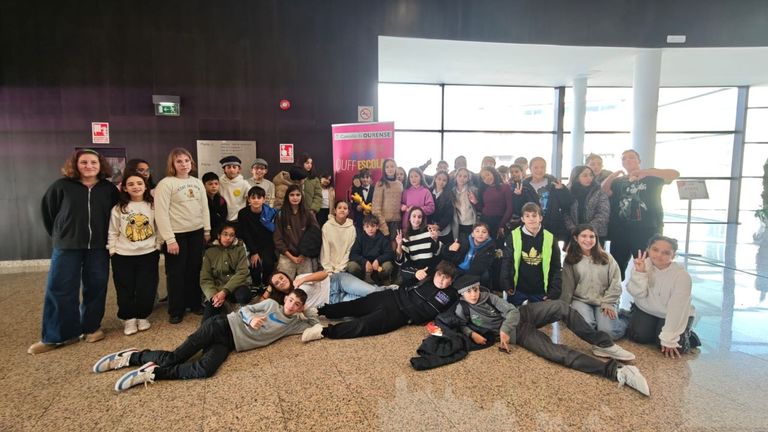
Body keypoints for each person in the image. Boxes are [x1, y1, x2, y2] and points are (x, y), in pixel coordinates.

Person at [433, 279, 649, 396]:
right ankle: (617, 371)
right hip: (520, 333)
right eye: (469, 291)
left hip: (523, 315)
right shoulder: (462, 309)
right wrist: (472, 334)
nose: (473, 294)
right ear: (462, 294)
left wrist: (504, 329)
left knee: (561, 307)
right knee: (555, 353)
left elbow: (512, 311)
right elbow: (461, 325)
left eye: (475, 289)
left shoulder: (489, 297)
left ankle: (602, 343)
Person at [93, 289, 319, 392]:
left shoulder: (293, 324)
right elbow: (244, 309)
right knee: (175, 357)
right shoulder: (271, 305)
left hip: (229, 343)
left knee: (204, 369)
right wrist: (251, 320)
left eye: (297, 305)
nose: (292, 305)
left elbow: (314, 324)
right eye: (290, 300)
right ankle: (132, 357)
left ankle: (152, 373)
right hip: (220, 325)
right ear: (285, 298)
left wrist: (307, 309)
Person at [29, 149, 119, 354]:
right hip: (67, 246)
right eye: (84, 162)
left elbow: (116, 215)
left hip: (98, 246)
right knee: (60, 287)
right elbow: (49, 213)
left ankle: (91, 327)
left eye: (93, 162)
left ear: (100, 165)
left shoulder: (108, 189)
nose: (89, 166)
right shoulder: (61, 186)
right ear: (75, 165)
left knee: (96, 286)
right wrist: (61, 234)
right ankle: (55, 336)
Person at [301, 261, 459, 341]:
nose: (441, 280)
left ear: (451, 281)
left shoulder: (451, 295)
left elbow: (452, 314)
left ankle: (323, 332)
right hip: (390, 296)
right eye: (439, 275)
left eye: (446, 278)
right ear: (435, 273)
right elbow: (402, 272)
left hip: (400, 315)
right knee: (355, 306)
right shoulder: (426, 277)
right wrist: (414, 274)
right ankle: (319, 311)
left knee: (363, 325)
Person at [602, 149, 680, 278]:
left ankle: (646, 290)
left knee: (647, 265)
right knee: (616, 265)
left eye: (631, 157)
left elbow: (674, 174)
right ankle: (615, 289)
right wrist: (612, 176)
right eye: (624, 158)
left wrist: (645, 172)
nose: (628, 160)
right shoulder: (619, 181)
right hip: (621, 230)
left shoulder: (652, 177)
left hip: (647, 229)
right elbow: (604, 191)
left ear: (639, 160)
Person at [155, 148, 211, 324]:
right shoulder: (166, 184)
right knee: (176, 273)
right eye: (179, 161)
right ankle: (176, 309)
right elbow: (161, 213)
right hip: (176, 235)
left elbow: (204, 207)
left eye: (187, 160)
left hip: (196, 232)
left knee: (194, 269)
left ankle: (194, 303)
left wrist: (207, 230)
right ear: (172, 164)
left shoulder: (197, 182)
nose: (184, 164)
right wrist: (169, 239)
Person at [626, 235, 700, 357]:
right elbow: (637, 293)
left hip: (673, 314)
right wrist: (640, 273)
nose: (659, 255)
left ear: (673, 255)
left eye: (666, 253)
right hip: (647, 310)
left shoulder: (682, 276)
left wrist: (669, 338)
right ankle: (654, 329)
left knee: (670, 347)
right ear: (648, 249)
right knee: (638, 337)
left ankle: (687, 333)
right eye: (655, 250)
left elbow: (677, 308)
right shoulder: (642, 265)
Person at [107, 172, 160, 336]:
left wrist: (158, 245)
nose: (136, 187)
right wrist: (112, 250)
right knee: (125, 288)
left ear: (145, 186)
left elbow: (159, 227)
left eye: (139, 183)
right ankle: (129, 318)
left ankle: (143, 316)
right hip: (123, 255)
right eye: (131, 184)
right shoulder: (119, 208)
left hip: (148, 253)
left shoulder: (153, 206)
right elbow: (113, 231)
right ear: (124, 188)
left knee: (147, 287)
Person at [559, 224, 625, 340]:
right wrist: (564, 308)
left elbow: (616, 282)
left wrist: (609, 302)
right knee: (586, 327)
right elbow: (567, 286)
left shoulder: (607, 257)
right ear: (576, 238)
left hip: (604, 300)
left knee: (608, 332)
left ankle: (624, 319)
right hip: (581, 300)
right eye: (584, 236)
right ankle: (596, 321)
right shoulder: (570, 260)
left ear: (596, 238)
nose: (588, 240)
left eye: (591, 236)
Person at [499, 202, 562, 306]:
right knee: (516, 314)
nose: (531, 219)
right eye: (527, 216)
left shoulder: (550, 238)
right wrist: (506, 283)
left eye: (534, 215)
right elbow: (507, 261)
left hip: (541, 291)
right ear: (522, 219)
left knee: (539, 315)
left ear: (540, 218)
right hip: (518, 290)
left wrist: (555, 290)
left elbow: (556, 266)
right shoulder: (513, 236)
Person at [200, 222, 252, 322]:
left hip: (236, 286)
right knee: (207, 320)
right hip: (217, 289)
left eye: (232, 235)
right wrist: (213, 296)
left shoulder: (239, 249)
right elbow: (205, 278)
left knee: (244, 296)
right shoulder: (209, 252)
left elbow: (242, 272)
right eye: (225, 234)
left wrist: (224, 292)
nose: (228, 238)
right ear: (219, 235)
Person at [268, 269, 389, 310]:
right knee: (369, 303)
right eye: (277, 283)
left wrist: (303, 280)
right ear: (276, 289)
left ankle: (392, 290)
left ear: (286, 276)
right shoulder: (288, 302)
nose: (281, 282)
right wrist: (268, 290)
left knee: (372, 292)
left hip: (337, 282)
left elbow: (324, 274)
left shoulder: (299, 279)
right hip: (335, 301)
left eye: (281, 278)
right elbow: (263, 304)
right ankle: (390, 296)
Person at [274, 185, 320, 279]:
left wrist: (303, 254)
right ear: (287, 197)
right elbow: (278, 239)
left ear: (302, 196)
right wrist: (291, 257)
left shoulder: (308, 214)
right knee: (283, 283)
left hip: (304, 256)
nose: (295, 197)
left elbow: (315, 235)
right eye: (292, 195)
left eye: (298, 195)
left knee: (307, 284)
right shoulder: (280, 214)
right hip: (287, 256)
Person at [523, 157, 574, 243]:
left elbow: (566, 203)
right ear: (530, 169)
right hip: (533, 225)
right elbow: (519, 208)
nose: (539, 170)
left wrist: (561, 190)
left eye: (542, 167)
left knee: (552, 249)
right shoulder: (524, 186)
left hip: (553, 224)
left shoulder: (554, 184)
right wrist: (517, 196)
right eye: (536, 167)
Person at [237, 186, 277, 287]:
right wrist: (254, 252)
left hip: (268, 243)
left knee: (268, 263)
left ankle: (266, 284)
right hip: (251, 244)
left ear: (264, 199)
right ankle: (256, 286)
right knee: (255, 265)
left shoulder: (270, 212)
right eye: (253, 197)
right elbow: (245, 233)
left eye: (259, 198)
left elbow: (273, 232)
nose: (256, 200)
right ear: (249, 199)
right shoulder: (243, 213)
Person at [564, 165, 610, 247]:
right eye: (585, 175)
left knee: (595, 255)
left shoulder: (599, 191)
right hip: (574, 234)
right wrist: (573, 229)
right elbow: (565, 212)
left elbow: (603, 213)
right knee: (574, 255)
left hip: (595, 234)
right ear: (576, 177)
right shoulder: (568, 191)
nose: (589, 178)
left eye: (591, 175)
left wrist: (587, 230)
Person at [396, 207, 442, 286]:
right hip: (416, 272)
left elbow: (437, 253)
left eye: (419, 217)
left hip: (431, 270)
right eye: (414, 216)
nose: (416, 219)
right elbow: (400, 262)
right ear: (409, 218)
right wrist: (399, 245)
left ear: (422, 219)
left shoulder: (429, 231)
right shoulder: (406, 237)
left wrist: (435, 240)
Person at [441, 222, 496, 287]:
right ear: (472, 234)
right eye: (477, 231)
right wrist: (449, 248)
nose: (480, 234)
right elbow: (445, 253)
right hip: (458, 267)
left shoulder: (490, 247)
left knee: (485, 275)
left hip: (473, 272)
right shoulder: (463, 240)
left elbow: (482, 266)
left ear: (488, 236)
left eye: (484, 232)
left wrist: (465, 278)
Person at [347, 215, 395, 284]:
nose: (370, 229)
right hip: (364, 267)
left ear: (377, 227)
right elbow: (353, 254)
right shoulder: (360, 238)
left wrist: (378, 260)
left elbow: (389, 254)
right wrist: (365, 262)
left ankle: (383, 281)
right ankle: (360, 281)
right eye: (367, 227)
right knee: (351, 266)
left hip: (378, 267)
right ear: (364, 228)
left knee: (387, 266)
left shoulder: (383, 238)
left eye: (373, 226)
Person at [371, 158, 403, 246]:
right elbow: (375, 209)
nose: (390, 169)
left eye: (392, 166)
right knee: (385, 249)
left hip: (397, 222)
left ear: (396, 168)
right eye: (387, 167)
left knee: (396, 248)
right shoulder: (380, 184)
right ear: (384, 169)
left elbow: (401, 202)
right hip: (384, 222)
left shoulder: (400, 184)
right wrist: (383, 226)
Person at [476, 166, 513, 242]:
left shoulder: (505, 187)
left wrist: (501, 225)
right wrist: (475, 202)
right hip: (484, 221)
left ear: (493, 173)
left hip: (499, 221)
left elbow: (510, 208)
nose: (486, 178)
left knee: (498, 245)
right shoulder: (484, 189)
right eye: (483, 178)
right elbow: (483, 208)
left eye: (488, 174)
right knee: (485, 245)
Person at [320, 201, 357, 273]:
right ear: (335, 210)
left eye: (345, 208)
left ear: (348, 212)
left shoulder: (351, 228)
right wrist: (328, 268)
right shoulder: (327, 226)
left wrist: (339, 268)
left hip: (344, 266)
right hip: (328, 266)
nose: (342, 210)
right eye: (339, 208)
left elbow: (349, 250)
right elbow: (325, 248)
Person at [401, 167, 435, 232]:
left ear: (421, 177)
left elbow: (431, 208)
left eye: (416, 176)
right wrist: (402, 206)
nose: (413, 179)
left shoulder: (426, 191)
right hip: (406, 224)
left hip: (420, 224)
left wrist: (416, 209)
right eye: (411, 177)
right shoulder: (406, 192)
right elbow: (401, 204)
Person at [218, 155, 250, 223]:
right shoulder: (219, 182)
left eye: (234, 167)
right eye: (228, 167)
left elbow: (251, 198)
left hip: (239, 219)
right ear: (224, 169)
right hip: (222, 218)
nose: (231, 169)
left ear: (239, 169)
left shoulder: (244, 183)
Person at [451, 167, 478, 241]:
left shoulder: (473, 190)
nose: (462, 178)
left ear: (468, 178)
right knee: (460, 243)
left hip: (471, 222)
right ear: (456, 177)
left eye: (465, 176)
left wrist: (475, 201)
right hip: (458, 223)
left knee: (471, 242)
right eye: (459, 176)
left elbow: (479, 206)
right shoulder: (452, 191)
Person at [429, 171, 454, 245]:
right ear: (435, 179)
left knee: (444, 248)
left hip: (444, 229)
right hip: (431, 227)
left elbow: (449, 214)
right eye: (439, 179)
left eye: (444, 180)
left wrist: (439, 226)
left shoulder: (449, 194)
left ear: (447, 182)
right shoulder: (429, 192)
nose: (441, 182)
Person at [202, 172, 228, 238]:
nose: (214, 186)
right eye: (210, 184)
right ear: (204, 185)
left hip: (218, 230)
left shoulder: (221, 200)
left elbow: (223, 218)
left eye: (216, 184)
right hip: (203, 230)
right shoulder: (201, 199)